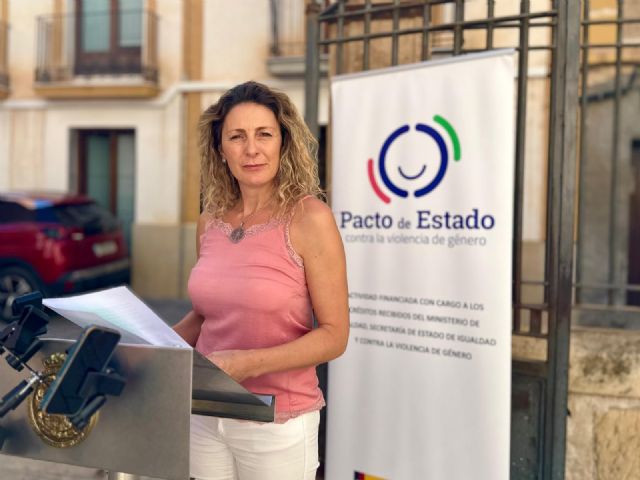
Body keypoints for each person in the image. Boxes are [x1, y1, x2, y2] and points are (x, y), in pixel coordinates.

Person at [173, 81, 349, 480]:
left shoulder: (310, 219)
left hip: (277, 422)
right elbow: (204, 316)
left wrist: (247, 364)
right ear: (221, 149)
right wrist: (148, 346)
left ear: (283, 142)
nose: (251, 149)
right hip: (205, 410)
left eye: (264, 134)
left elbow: (335, 335)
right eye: (237, 137)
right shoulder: (209, 221)